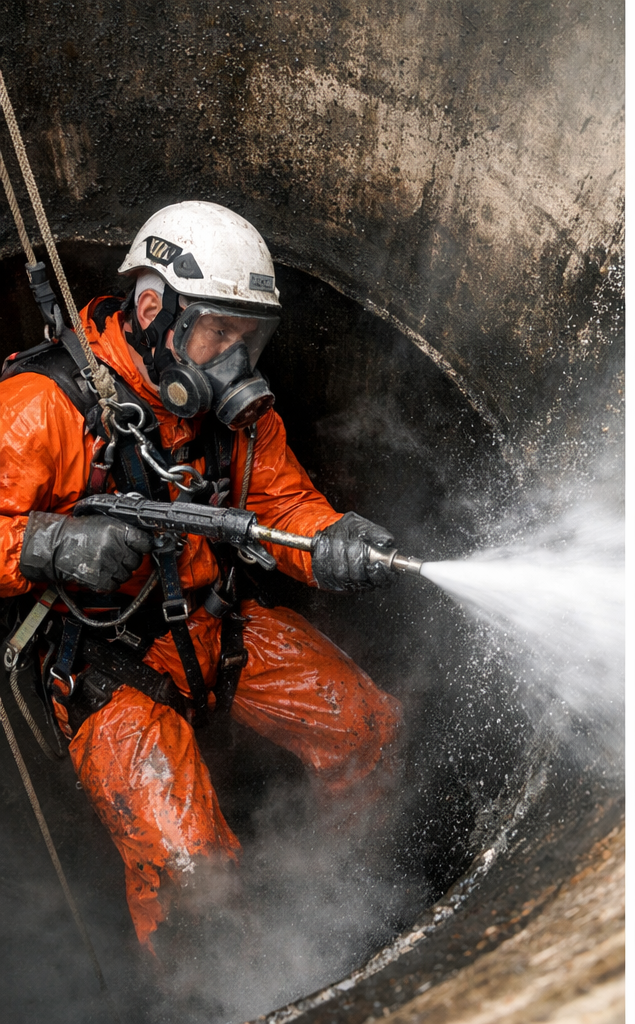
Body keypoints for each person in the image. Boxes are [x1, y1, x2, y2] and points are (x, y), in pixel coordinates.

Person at [0, 201, 403, 950]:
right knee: (194, 881)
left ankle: (340, 901)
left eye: (251, 339)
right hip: (106, 665)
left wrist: (334, 540)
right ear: (154, 308)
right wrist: (46, 545)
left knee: (367, 727)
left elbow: (282, 502)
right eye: (221, 332)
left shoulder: (238, 418)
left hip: (217, 625)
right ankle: (206, 992)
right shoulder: (42, 409)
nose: (235, 361)